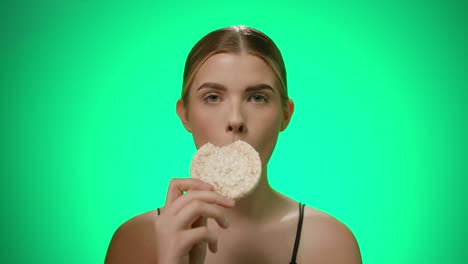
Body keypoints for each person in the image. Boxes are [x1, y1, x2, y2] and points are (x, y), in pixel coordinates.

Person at [105, 25, 362, 264]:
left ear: (286, 114)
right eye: (213, 97)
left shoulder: (330, 243)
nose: (236, 120)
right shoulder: (134, 241)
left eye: (258, 97)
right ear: (185, 115)